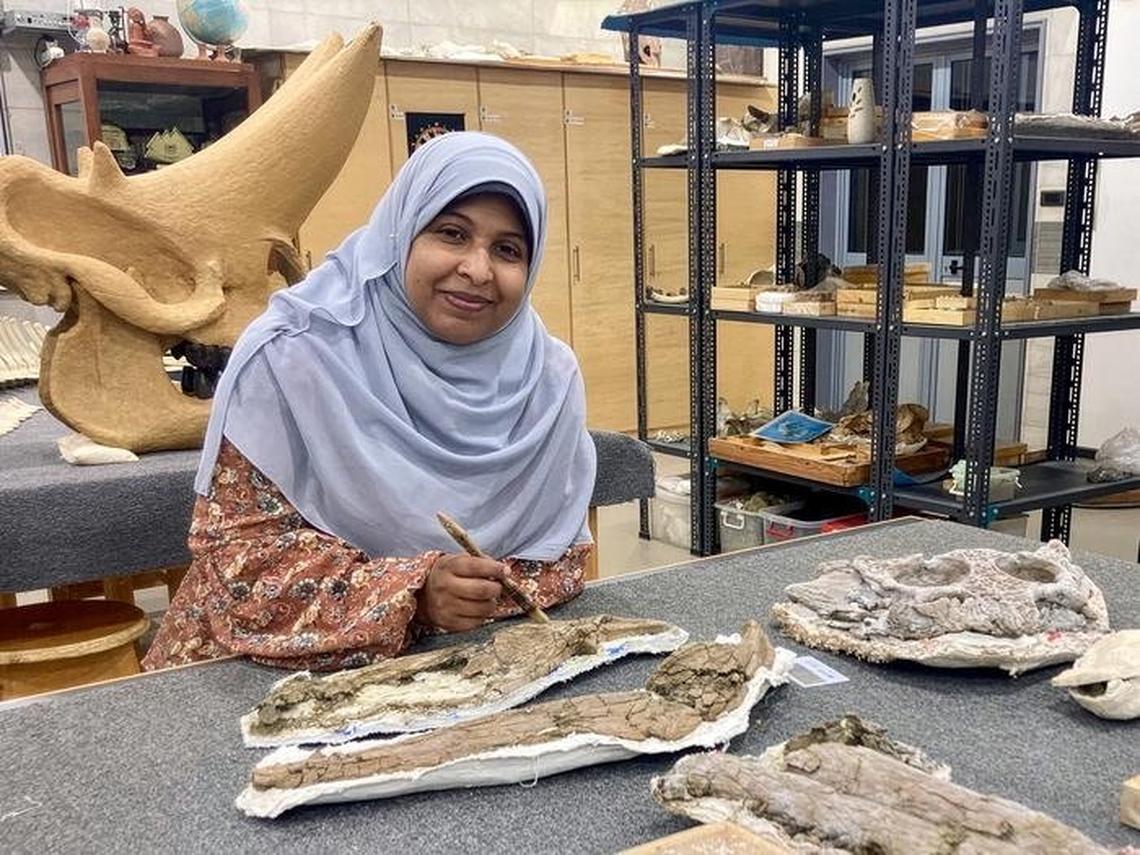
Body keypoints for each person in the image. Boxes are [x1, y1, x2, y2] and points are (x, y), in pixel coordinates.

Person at [142, 133, 597, 672]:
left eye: (507, 250)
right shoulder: (295, 357)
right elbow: (241, 569)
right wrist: (412, 592)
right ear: (400, 233)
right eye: (452, 234)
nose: (478, 269)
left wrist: (470, 598)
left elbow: (560, 559)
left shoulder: (548, 379)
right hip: (271, 674)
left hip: (472, 671)